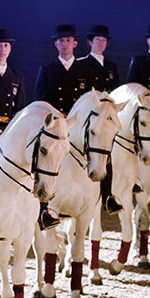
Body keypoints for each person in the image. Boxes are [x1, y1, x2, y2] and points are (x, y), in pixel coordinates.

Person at [34, 24, 97, 229]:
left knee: (104, 152)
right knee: (42, 161)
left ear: (75, 43)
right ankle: (43, 208)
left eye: (68, 40)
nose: (65, 44)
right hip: (56, 130)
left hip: (78, 128)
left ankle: (107, 195)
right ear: (56, 44)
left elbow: (91, 103)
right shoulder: (46, 70)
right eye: (61, 41)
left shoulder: (86, 70)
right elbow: (40, 103)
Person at [77, 24, 124, 215]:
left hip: (107, 112)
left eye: (104, 41)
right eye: (98, 40)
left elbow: (117, 89)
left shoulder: (111, 66)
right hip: (90, 113)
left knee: (108, 150)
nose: (101, 43)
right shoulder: (82, 63)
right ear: (90, 42)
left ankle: (107, 196)